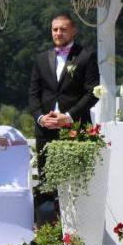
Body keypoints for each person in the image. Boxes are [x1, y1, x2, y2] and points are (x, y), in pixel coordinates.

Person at [28, 12, 100, 212]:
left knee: (76, 182)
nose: (58, 33)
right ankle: (48, 233)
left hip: (74, 129)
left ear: (73, 31)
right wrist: (41, 118)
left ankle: (75, 234)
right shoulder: (41, 59)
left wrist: (69, 117)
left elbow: (92, 93)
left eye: (63, 29)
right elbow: (33, 95)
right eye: (55, 29)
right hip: (46, 131)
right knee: (46, 183)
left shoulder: (85, 56)